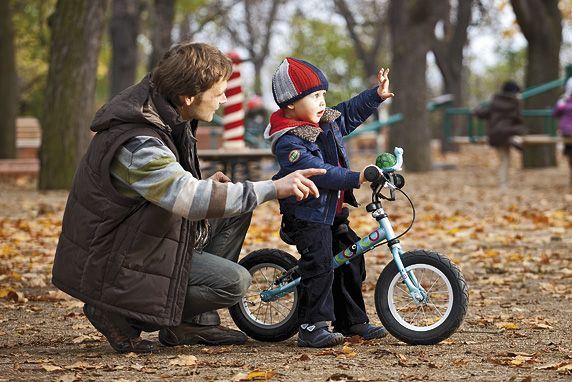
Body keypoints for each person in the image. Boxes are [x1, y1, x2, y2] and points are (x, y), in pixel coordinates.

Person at [51, 43, 325, 354]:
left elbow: (168, 189)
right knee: (235, 283)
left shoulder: (167, 117)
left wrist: (206, 186)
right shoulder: (139, 143)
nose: (223, 99)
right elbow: (188, 199)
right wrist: (272, 188)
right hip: (114, 262)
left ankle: (191, 323)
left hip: (139, 240)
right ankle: (120, 312)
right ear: (189, 96)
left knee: (234, 211)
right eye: (218, 92)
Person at [264, 57, 394, 348]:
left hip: (331, 212)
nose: (322, 102)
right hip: (307, 215)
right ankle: (312, 326)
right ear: (291, 106)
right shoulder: (289, 141)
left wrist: (375, 96)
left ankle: (351, 321)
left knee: (350, 259)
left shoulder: (323, 122)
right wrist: (356, 177)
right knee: (320, 264)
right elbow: (319, 172)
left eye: (322, 95)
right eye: (314, 97)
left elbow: (347, 112)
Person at [474, 81, 527, 186]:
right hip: (507, 133)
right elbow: (518, 119)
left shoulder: (494, 101)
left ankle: (504, 181)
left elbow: (484, 113)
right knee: (505, 160)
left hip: (495, 135)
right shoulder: (514, 103)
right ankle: (503, 183)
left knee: (503, 159)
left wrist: (476, 110)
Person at [553, 77, 572, 186]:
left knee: (570, 155)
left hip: (567, 132)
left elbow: (555, 113)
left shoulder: (564, 102)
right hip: (568, 133)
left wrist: (561, 102)